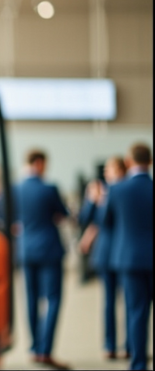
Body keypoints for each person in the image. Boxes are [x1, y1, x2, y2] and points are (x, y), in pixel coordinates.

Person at [14, 149, 71, 369]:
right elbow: (63, 214)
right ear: (38, 163)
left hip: (26, 249)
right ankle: (45, 350)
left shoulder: (16, 188)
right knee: (53, 298)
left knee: (30, 298)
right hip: (49, 249)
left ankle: (34, 347)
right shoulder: (49, 189)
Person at [103, 143, 153, 371]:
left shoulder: (117, 190)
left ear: (128, 161)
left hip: (129, 259)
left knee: (136, 311)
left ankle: (138, 363)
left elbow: (106, 222)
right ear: (150, 162)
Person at [78, 156, 128, 360]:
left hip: (124, 250)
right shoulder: (100, 189)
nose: (107, 173)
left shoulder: (125, 190)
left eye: (111, 169)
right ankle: (110, 345)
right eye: (106, 170)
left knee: (129, 301)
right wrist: (92, 200)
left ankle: (130, 345)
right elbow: (86, 219)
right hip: (107, 252)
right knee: (108, 301)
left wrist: (102, 201)